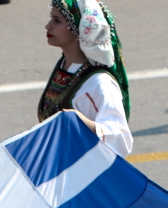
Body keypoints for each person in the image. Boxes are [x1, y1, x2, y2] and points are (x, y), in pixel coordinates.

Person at [40, 0, 132, 158]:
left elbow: (120, 139)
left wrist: (81, 122)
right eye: (51, 19)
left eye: (57, 21)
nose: (48, 26)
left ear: (79, 28)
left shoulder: (100, 83)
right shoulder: (65, 67)